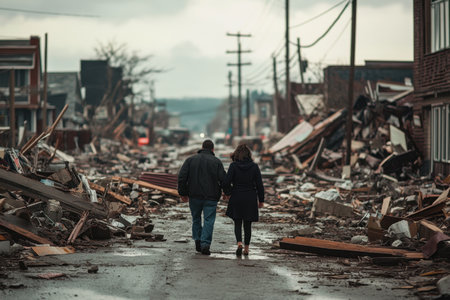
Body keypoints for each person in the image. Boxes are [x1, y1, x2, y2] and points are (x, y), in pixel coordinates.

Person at [177, 139, 228, 255]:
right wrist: (227, 192)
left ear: (202, 147)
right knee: (209, 220)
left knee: (196, 218)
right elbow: (224, 180)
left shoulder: (190, 160)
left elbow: (182, 177)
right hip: (211, 196)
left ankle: (198, 241)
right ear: (212, 149)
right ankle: (205, 244)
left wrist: (183, 193)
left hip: (194, 195)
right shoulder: (216, 162)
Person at [224, 144, 264, 256]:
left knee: (237, 222)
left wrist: (228, 192)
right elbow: (260, 185)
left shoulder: (233, 166)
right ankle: (246, 248)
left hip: (237, 196)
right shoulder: (254, 167)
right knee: (248, 224)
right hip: (250, 197)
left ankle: (239, 243)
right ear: (249, 154)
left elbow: (226, 182)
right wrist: (261, 200)